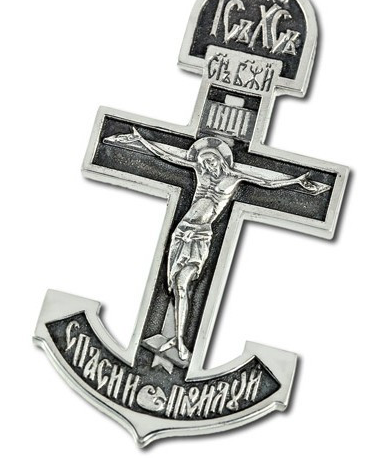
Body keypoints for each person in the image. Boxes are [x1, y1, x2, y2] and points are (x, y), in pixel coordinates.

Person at [104, 127, 318, 361]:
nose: (208, 167)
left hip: (199, 237)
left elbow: (266, 181)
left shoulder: (234, 178)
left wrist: (295, 181)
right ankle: (177, 338)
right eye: (204, 163)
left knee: (183, 283)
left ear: (220, 161)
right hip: (182, 233)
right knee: (176, 286)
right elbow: (168, 156)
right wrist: (142, 140)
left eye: (211, 162)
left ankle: (180, 341)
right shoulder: (200, 173)